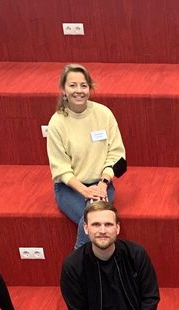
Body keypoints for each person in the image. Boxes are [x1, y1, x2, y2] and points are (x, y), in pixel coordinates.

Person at [47, 63, 126, 249]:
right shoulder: (57, 122)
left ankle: (82, 270)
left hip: (102, 185)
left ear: (90, 88)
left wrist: (102, 184)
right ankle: (82, 270)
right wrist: (85, 191)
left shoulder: (103, 114)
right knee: (92, 218)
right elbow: (61, 169)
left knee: (94, 217)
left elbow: (117, 155)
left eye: (83, 85)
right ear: (63, 90)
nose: (79, 90)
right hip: (70, 189)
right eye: (72, 85)